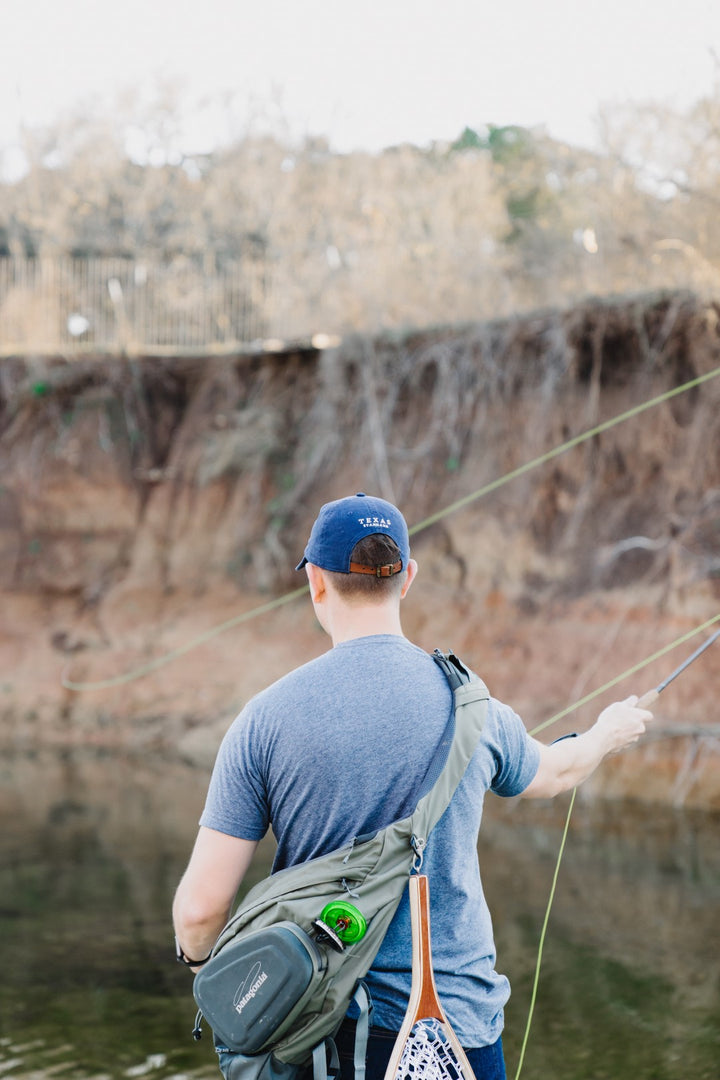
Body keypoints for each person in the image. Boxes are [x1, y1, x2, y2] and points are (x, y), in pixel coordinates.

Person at [173, 492, 652, 1080]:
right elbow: (557, 771)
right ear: (408, 579)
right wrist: (607, 731)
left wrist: (211, 977)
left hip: (325, 1035)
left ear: (317, 582)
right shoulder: (471, 703)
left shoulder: (264, 721)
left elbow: (200, 911)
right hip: (464, 1028)